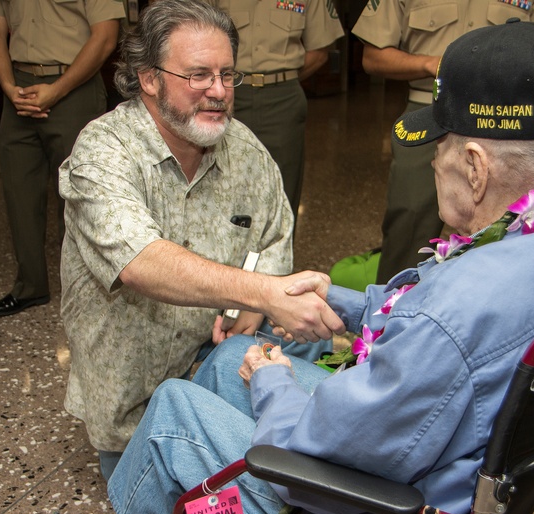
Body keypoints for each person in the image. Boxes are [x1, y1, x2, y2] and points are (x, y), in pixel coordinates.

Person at [19, 20, 534, 514]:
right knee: (230, 361)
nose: (431, 160)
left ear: (475, 169)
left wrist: (277, 380)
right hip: (453, 469)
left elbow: (321, 458)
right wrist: (335, 299)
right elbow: (439, 322)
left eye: (439, 147)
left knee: (175, 408)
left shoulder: (442, 325)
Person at [57, 0, 344, 481]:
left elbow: (273, 237)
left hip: (216, 366)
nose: (219, 92)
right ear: (149, 78)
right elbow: (139, 262)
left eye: (227, 75)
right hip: (129, 396)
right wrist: (262, 293)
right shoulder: (103, 150)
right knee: (166, 508)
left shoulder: (246, 151)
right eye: (199, 76)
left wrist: (251, 307)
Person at [352, 0, 534, 283]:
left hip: (508, 119)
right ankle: (392, 317)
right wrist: (429, 63)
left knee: (510, 229)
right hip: (431, 111)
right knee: (409, 223)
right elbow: (373, 57)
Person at [0, 0, 125, 317]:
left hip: (74, 86)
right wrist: (8, 87)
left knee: (80, 197)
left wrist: (57, 90)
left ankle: (84, 291)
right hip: (17, 89)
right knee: (19, 192)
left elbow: (105, 36)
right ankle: (29, 287)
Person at [209, 0, 344, 217]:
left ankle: (278, 250)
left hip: (283, 100)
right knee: (221, 188)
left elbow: (320, 52)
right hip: (226, 95)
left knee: (283, 194)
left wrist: (281, 79)